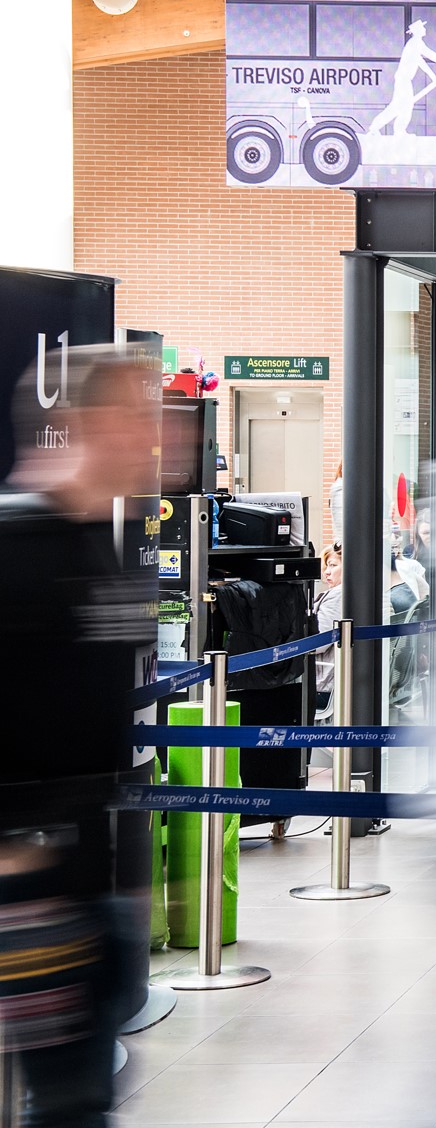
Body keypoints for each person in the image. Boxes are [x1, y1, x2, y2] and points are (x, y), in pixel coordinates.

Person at [0, 348, 157, 1128]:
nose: (153, 438)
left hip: (95, 873)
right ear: (86, 423)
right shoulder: (19, 544)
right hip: (32, 884)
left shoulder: (108, 542)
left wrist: (127, 880)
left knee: (83, 1091)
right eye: (138, 415)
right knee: (67, 1102)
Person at [311, 541, 344, 719]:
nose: (327, 572)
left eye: (333, 565)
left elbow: (318, 644)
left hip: (323, 686)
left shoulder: (338, 595)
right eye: (326, 566)